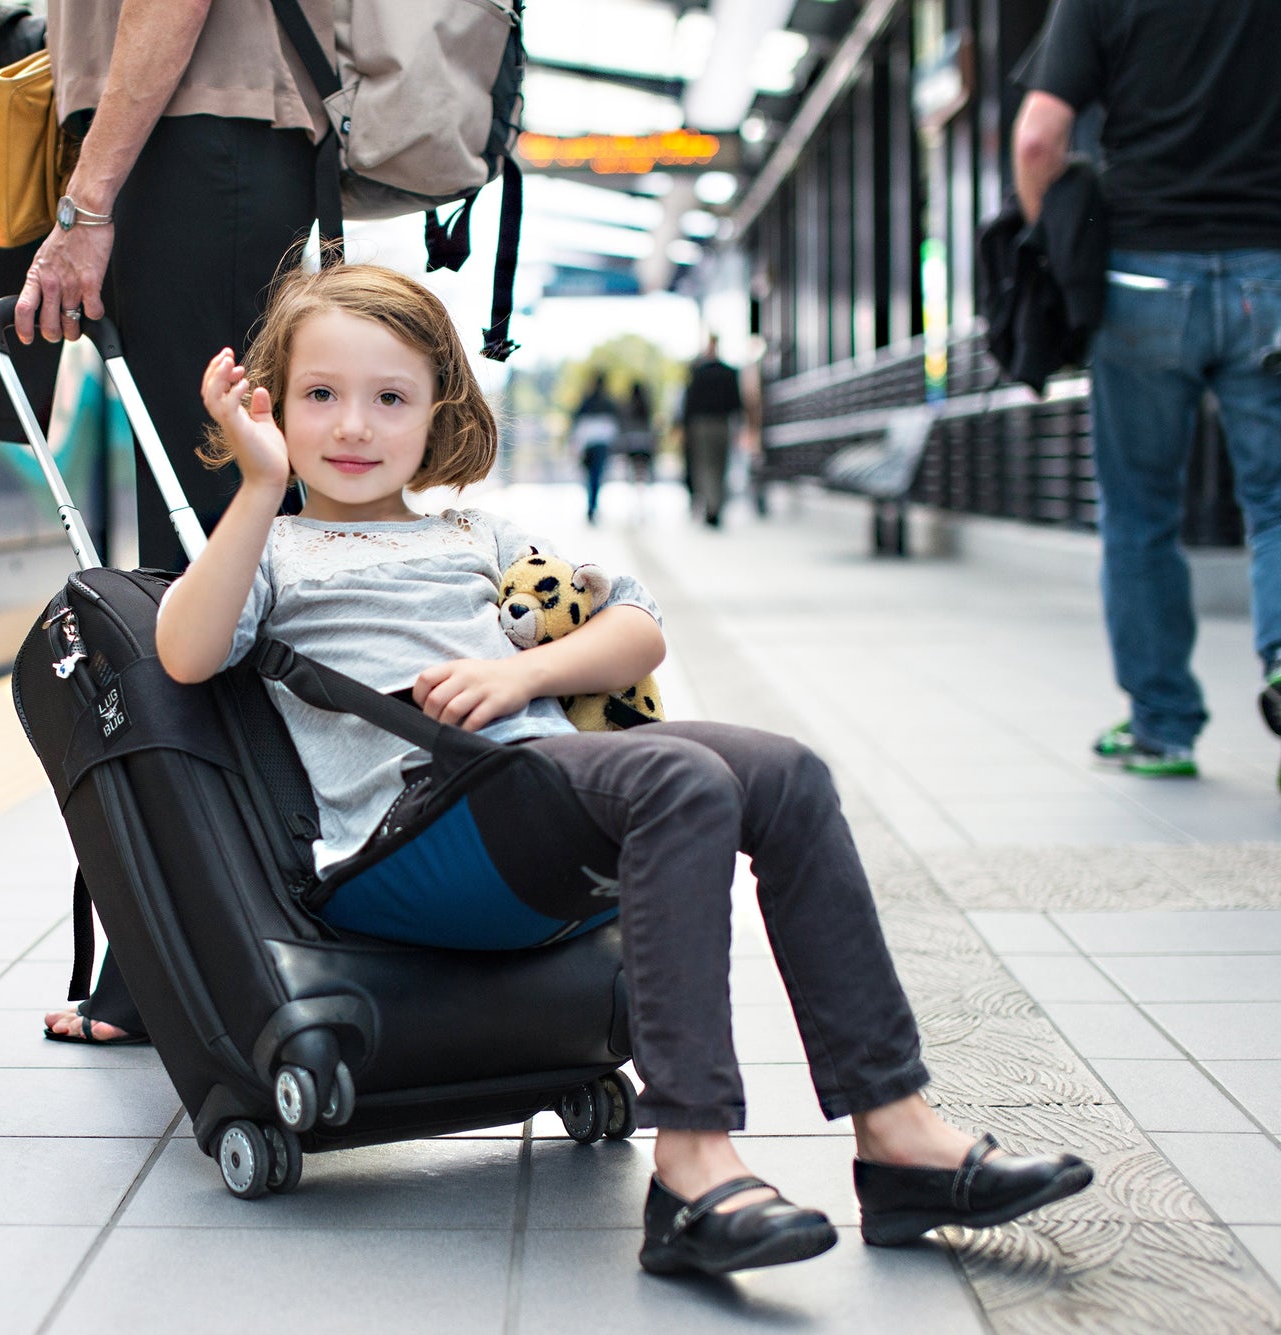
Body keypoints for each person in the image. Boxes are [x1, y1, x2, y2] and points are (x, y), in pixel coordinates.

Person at [160, 261, 1092, 1275]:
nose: (352, 426)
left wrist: (522, 679)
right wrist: (256, 486)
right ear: (274, 405)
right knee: (680, 782)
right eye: (319, 397)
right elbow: (185, 652)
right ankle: (692, 1162)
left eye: (389, 399)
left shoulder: (482, 533)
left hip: (535, 802)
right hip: (411, 843)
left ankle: (898, 1134)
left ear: (438, 413)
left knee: (786, 774)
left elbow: (636, 631)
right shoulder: (273, 548)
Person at [20, 0, 331, 1042]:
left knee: (202, 571)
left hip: (192, 160)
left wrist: (84, 206)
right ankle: (218, 935)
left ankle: (199, 957)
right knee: (214, 551)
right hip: (216, 160)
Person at [1013, 0, 1281, 784]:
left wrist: (1049, 242)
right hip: (1270, 276)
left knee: (1140, 511)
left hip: (1140, 277)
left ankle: (1162, 727)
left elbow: (1038, 137)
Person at [682, 336, 743, 529]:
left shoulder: (698, 372)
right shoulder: (729, 372)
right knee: (720, 466)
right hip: (722, 423)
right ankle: (715, 505)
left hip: (702, 425)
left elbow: (689, 403)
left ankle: (711, 506)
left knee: (705, 466)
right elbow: (736, 402)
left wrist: (685, 428)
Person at [570, 373, 618, 523]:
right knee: (596, 476)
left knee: (591, 476)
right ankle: (593, 505)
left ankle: (591, 506)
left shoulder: (587, 401)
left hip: (588, 444)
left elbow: (577, 420)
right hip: (601, 444)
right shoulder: (608, 402)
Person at [622, 380, 657, 486]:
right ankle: (645, 484)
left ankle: (634, 483)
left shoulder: (628, 406)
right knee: (645, 466)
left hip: (632, 440)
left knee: (633, 466)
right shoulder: (647, 405)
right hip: (645, 440)